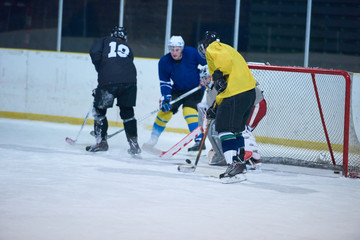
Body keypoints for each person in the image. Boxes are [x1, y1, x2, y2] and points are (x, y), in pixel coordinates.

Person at [198, 31, 256, 178]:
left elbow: (224, 65)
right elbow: (225, 90)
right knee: (236, 129)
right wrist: (214, 108)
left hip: (236, 93)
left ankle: (233, 164)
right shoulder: (229, 49)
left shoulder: (213, 48)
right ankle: (240, 163)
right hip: (249, 92)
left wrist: (218, 76)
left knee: (224, 128)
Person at [143, 36, 207, 150]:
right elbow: (165, 82)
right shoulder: (164, 61)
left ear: (181, 48)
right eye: (172, 49)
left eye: (177, 49)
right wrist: (166, 98)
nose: (174, 52)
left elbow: (205, 62)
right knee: (165, 110)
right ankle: (153, 139)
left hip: (195, 89)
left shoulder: (191, 52)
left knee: (189, 111)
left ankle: (199, 140)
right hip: (177, 90)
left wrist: (207, 75)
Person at [196, 65, 267, 167]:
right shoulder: (212, 90)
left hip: (255, 104)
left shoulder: (221, 84)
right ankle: (240, 155)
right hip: (245, 105)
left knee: (242, 129)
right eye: (203, 78)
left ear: (212, 76)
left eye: (206, 78)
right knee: (235, 129)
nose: (205, 81)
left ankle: (253, 158)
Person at [86, 26, 141, 157]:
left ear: (112, 35)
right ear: (125, 37)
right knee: (128, 113)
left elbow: (94, 52)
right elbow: (126, 62)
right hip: (130, 81)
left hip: (109, 80)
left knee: (99, 110)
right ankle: (134, 145)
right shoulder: (127, 47)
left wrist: (103, 71)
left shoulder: (105, 40)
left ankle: (101, 143)